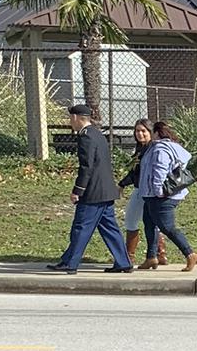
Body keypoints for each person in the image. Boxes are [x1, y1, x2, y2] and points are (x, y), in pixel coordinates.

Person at [44, 104, 134, 275]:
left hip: (93, 193)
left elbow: (87, 167)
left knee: (81, 227)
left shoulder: (85, 137)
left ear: (76, 118)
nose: (70, 121)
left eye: (71, 118)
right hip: (106, 191)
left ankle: (70, 263)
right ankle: (123, 262)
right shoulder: (97, 134)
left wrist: (77, 190)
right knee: (110, 228)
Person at [138, 120, 197, 272]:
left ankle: (190, 254)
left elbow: (160, 170)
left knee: (167, 227)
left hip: (160, 196)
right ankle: (151, 257)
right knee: (149, 224)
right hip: (151, 195)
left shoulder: (160, 149)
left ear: (156, 133)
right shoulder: (168, 147)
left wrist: (158, 191)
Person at [119, 119, 166, 267]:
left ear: (151, 132)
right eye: (137, 131)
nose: (140, 134)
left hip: (146, 190)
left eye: (143, 131)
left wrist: (122, 183)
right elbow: (135, 173)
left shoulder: (152, 149)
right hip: (143, 189)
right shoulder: (142, 149)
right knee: (151, 222)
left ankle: (131, 256)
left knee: (132, 220)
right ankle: (159, 254)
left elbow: (137, 173)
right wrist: (122, 183)